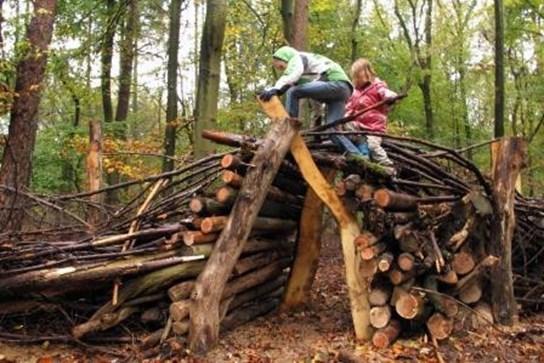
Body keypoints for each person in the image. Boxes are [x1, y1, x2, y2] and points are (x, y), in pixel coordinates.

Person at [259, 46, 362, 155]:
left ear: (285, 57)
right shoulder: (308, 70)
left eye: (281, 66)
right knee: (332, 131)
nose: (283, 69)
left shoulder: (297, 57)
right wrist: (274, 90)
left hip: (334, 82)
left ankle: (289, 128)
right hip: (343, 90)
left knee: (293, 92)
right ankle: (358, 157)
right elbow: (290, 83)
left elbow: (291, 75)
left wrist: (275, 89)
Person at [345, 58, 397, 166]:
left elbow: (386, 93)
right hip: (359, 128)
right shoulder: (355, 93)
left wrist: (391, 97)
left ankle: (388, 166)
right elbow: (349, 108)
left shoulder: (377, 86)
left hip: (374, 128)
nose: (356, 79)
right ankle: (361, 154)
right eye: (354, 77)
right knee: (345, 125)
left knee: (372, 146)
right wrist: (344, 116)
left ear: (366, 73)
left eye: (358, 76)